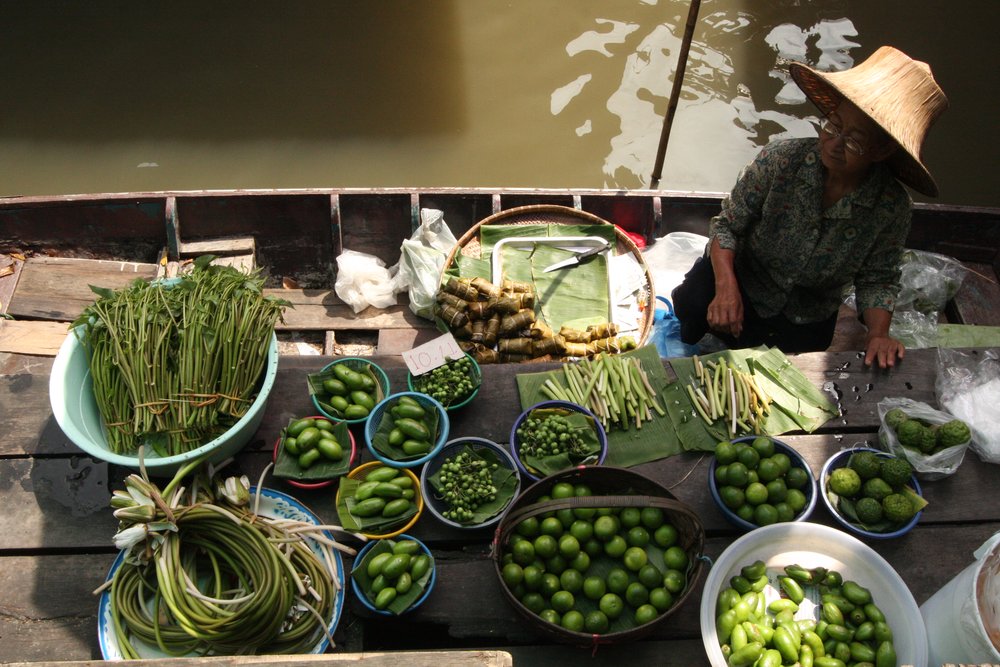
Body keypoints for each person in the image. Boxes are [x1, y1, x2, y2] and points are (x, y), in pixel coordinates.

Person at [671, 46, 948, 369]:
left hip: (807, 311)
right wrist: (726, 289)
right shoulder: (781, 161)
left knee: (787, 364)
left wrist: (877, 334)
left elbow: (879, 279)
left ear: (882, 149)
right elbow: (727, 226)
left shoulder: (891, 206)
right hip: (746, 281)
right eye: (833, 125)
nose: (835, 143)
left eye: (855, 140)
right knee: (692, 305)